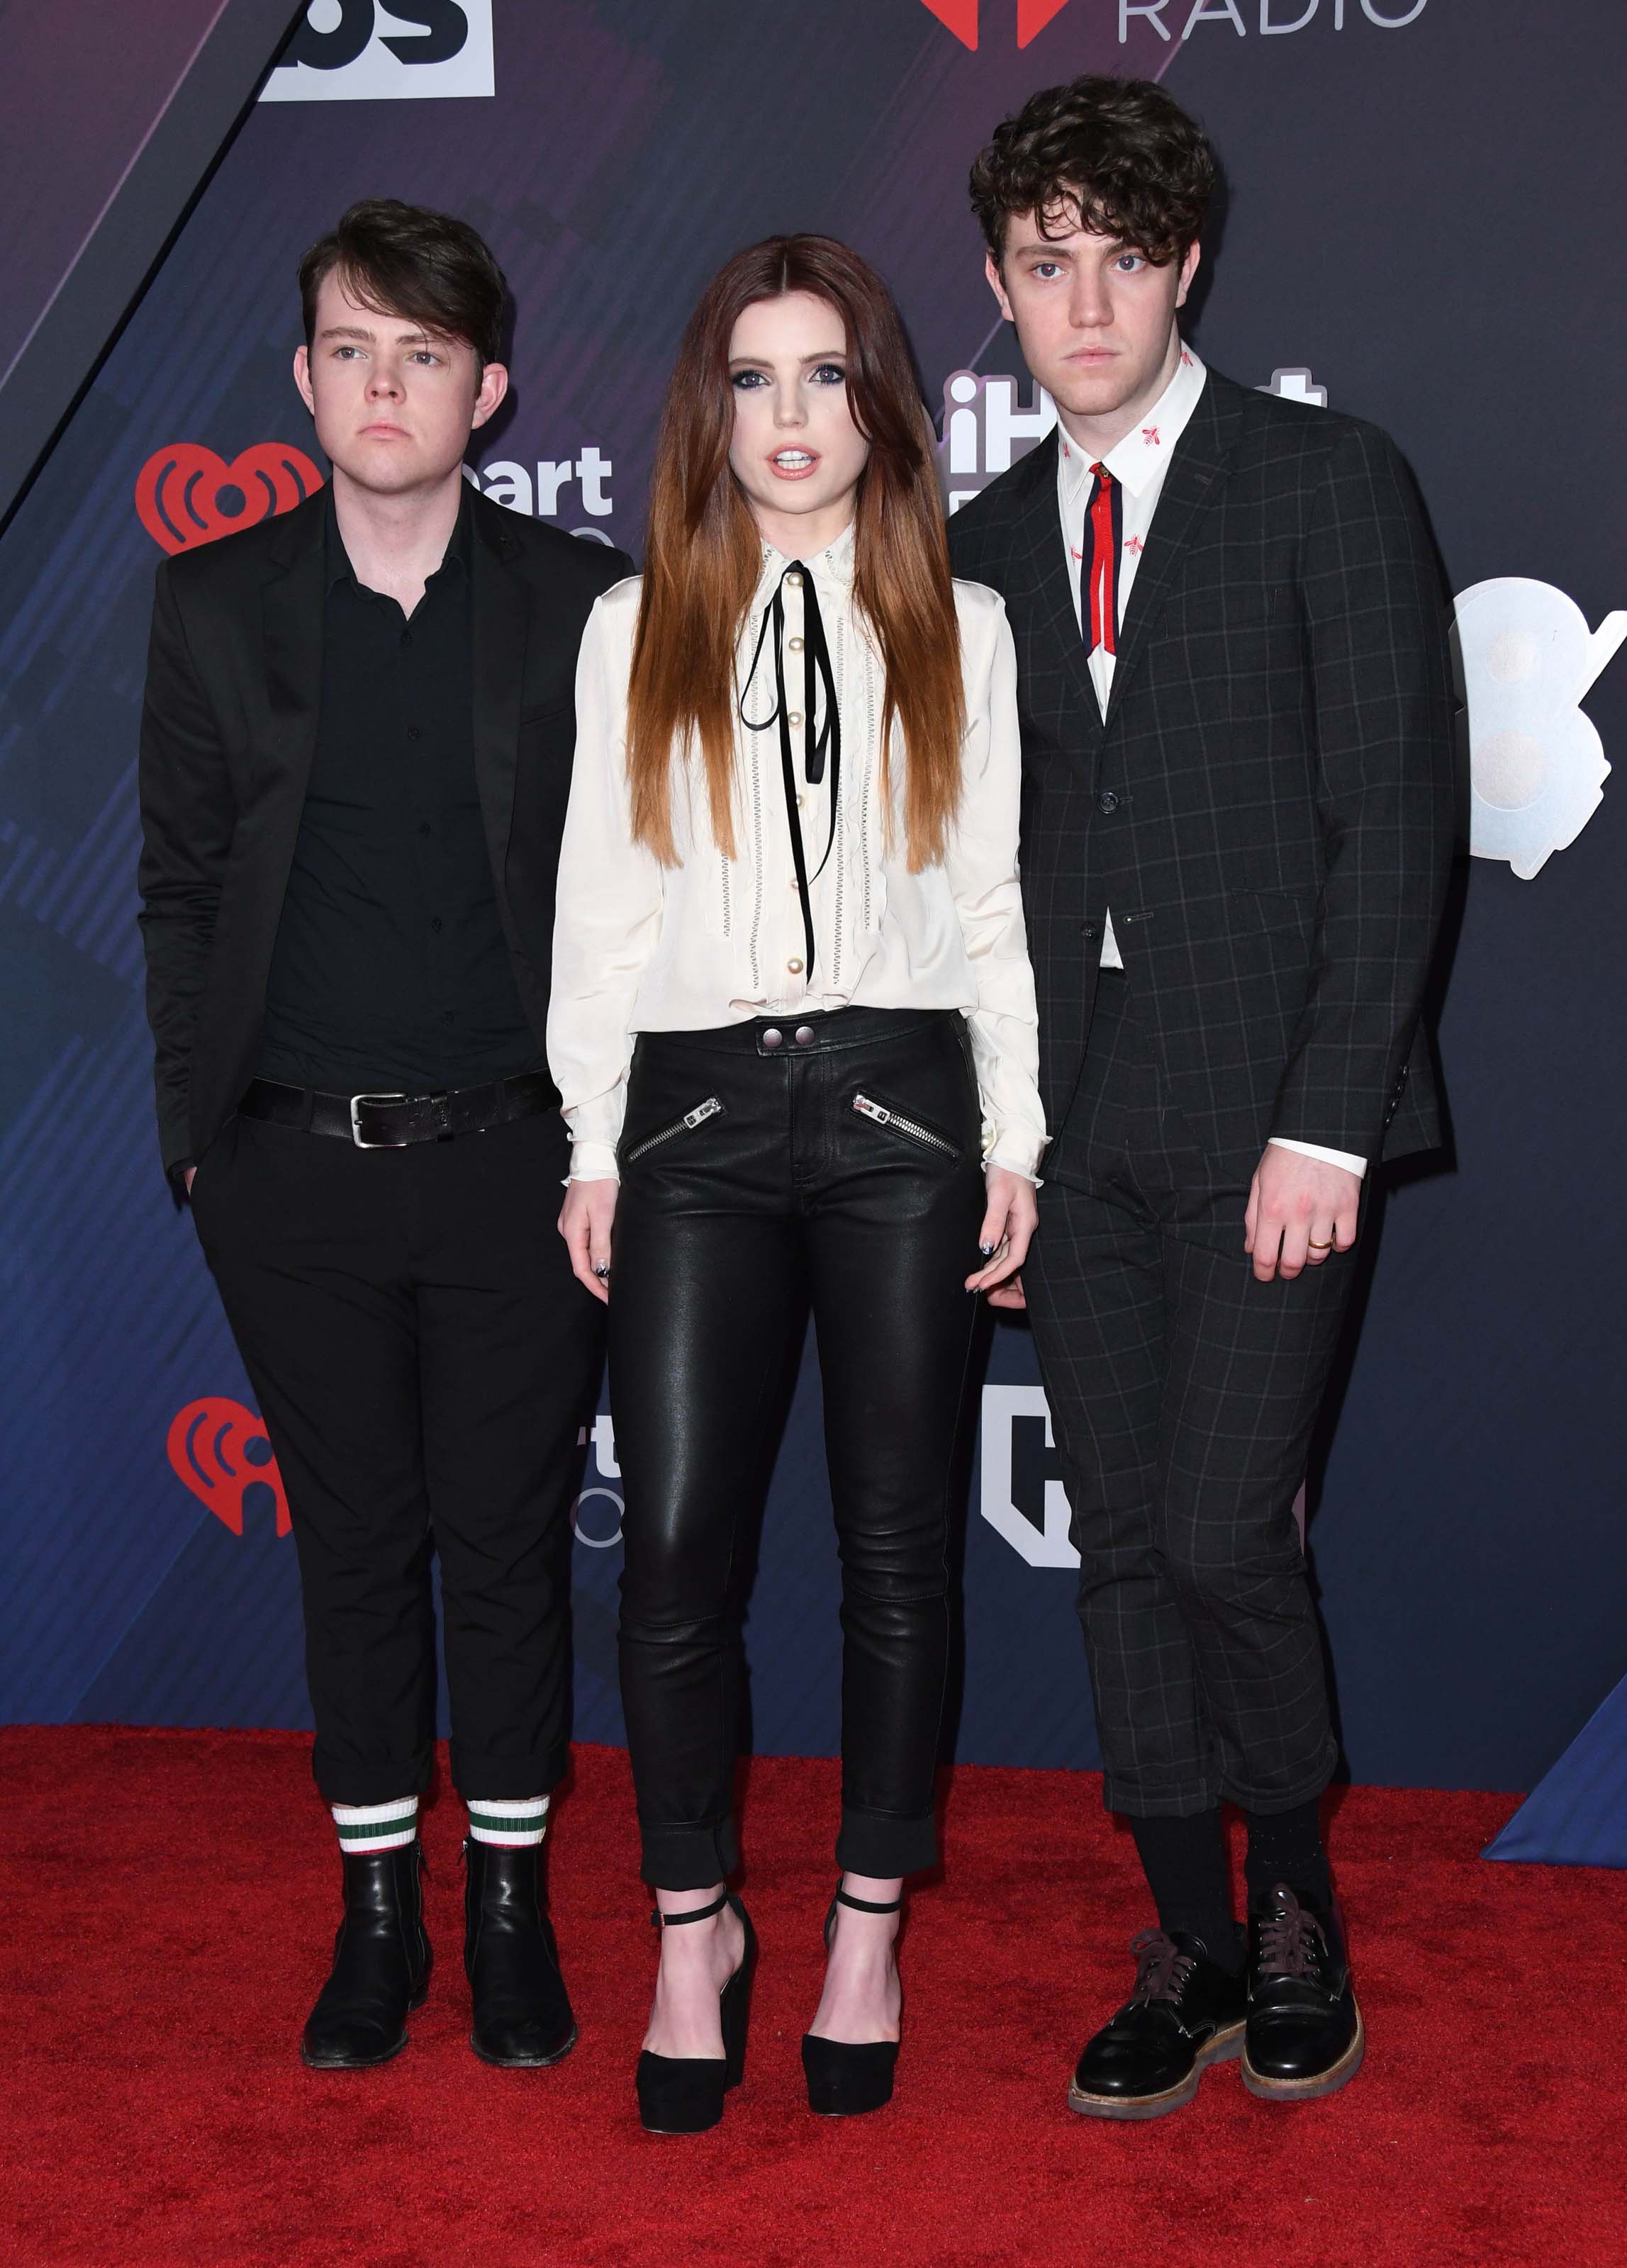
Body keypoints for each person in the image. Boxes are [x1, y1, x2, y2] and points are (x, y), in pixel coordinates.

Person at [949, 78, 1454, 2118]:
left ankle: (1296, 1902)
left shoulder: (1324, 479)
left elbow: (1397, 820)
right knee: (1127, 1551)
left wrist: (1329, 1121)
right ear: (999, 284)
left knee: (1232, 1534)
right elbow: (959, 880)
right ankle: (1182, 1933)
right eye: (1046, 263)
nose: (1087, 301)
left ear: (1187, 268)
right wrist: (992, 1150)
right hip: (1074, 1138)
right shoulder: (976, 542)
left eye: (1123, 258)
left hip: (1273, 1120)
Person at [549, 235, 1045, 2134]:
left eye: (823, 377)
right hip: (691, 1117)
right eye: (751, 379)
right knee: (675, 1543)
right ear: (708, 408)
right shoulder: (636, 624)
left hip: (907, 1109)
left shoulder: (965, 626)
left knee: (898, 1547)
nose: (786, 418)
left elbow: (990, 903)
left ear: (878, 404)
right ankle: (693, 1927)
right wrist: (594, 1140)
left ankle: (861, 1925)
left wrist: (1018, 1136)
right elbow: (603, 906)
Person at [137, 199, 631, 2072]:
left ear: (486, 389)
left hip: (521, 1161)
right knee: (351, 1545)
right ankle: (376, 1920)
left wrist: (610, 1144)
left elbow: (644, 891)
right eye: (353, 348)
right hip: (288, 1169)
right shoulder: (214, 603)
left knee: (504, 1545)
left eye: (424, 353)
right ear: (303, 378)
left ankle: (508, 1910)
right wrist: (199, 1135)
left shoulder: (584, 604)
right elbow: (176, 886)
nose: (385, 384)